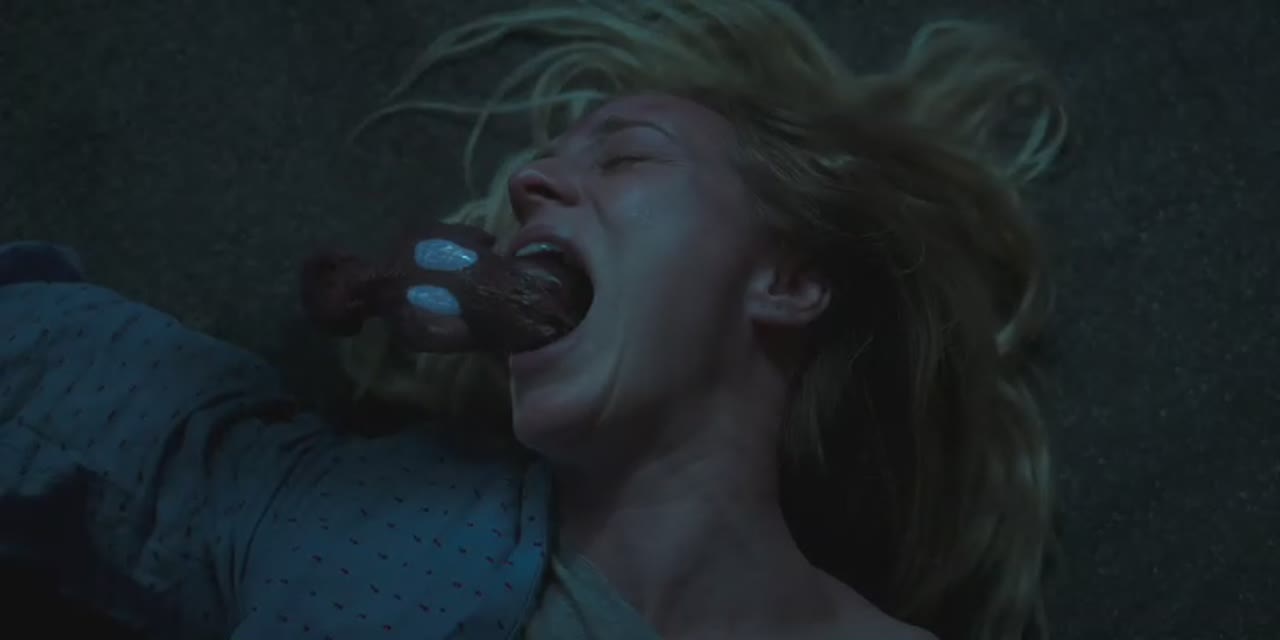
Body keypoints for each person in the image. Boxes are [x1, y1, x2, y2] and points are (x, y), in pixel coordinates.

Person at [0, 1, 1067, 638]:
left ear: (786, 279)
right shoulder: (335, 516)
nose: (527, 186)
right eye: (542, 165)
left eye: (626, 155)